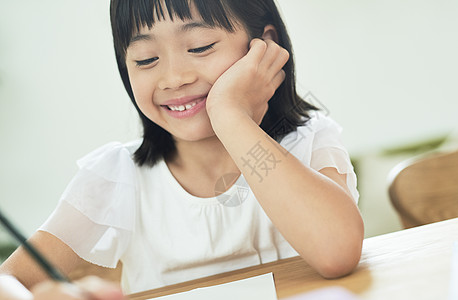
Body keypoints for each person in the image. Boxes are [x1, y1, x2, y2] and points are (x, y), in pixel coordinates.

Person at [0, 0, 364, 298]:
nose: (174, 78)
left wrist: (231, 116)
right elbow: (8, 284)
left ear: (265, 47)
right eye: (145, 59)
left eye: (200, 47)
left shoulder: (309, 141)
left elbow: (337, 253)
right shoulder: (116, 177)